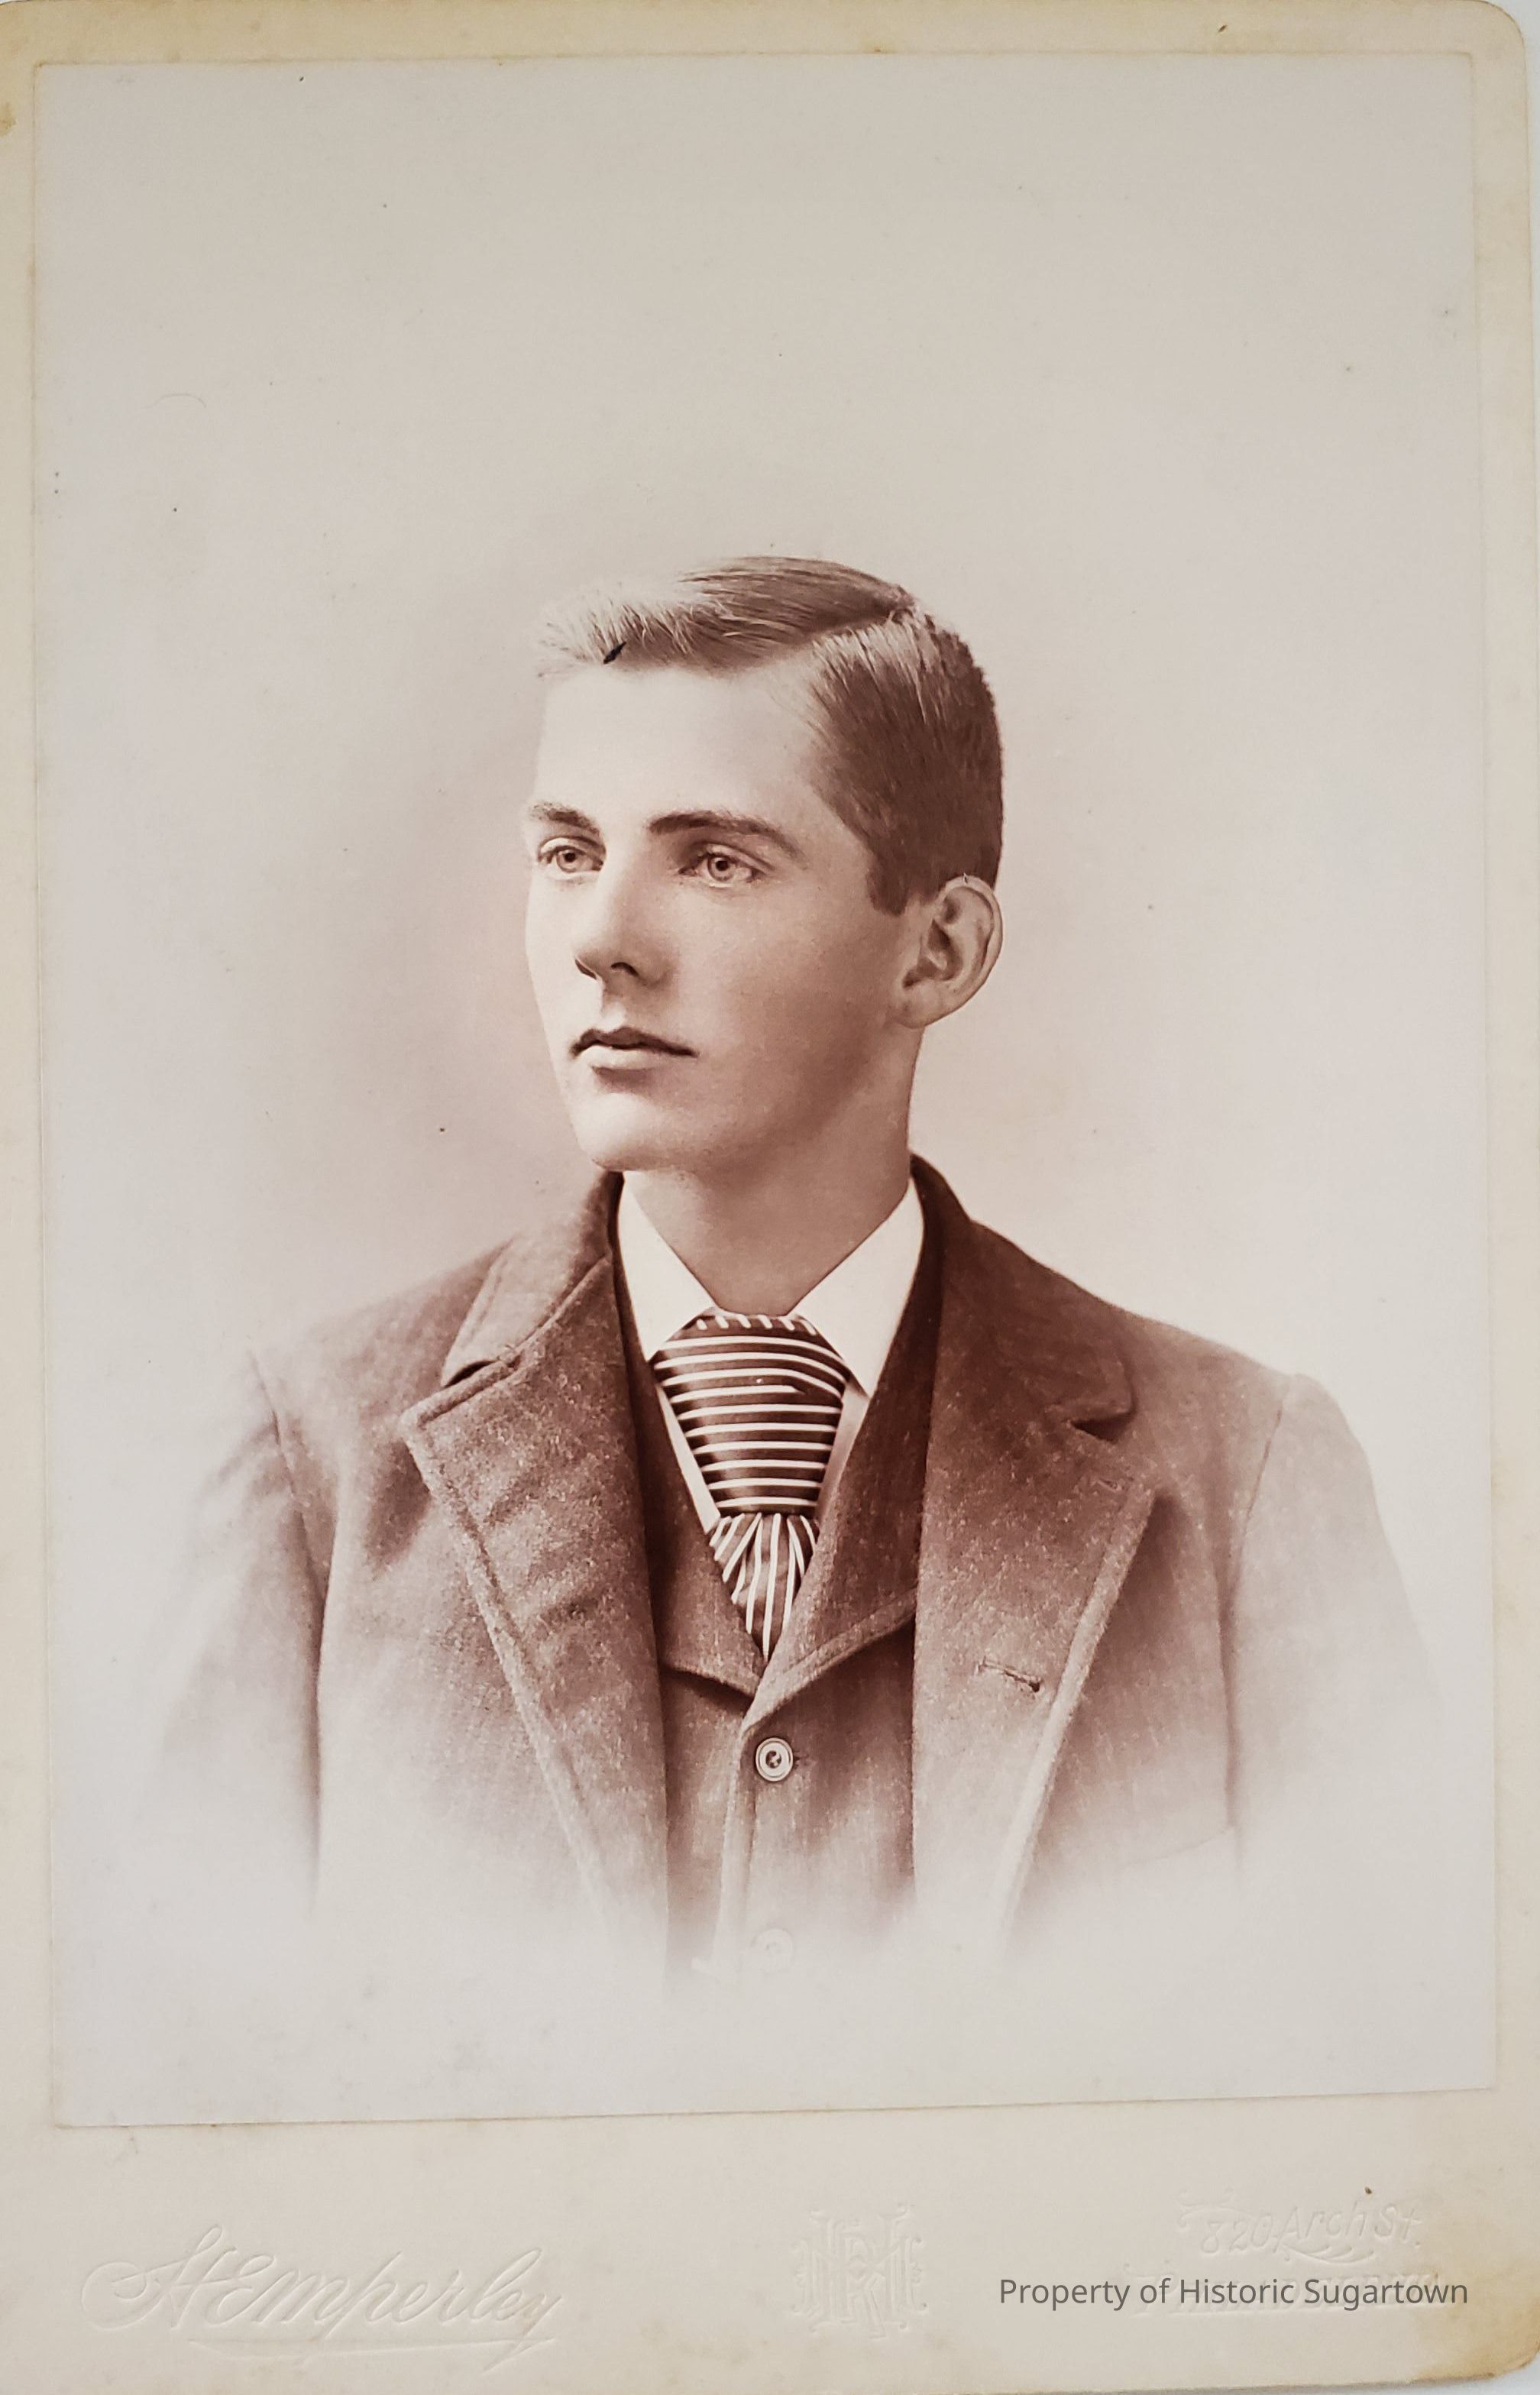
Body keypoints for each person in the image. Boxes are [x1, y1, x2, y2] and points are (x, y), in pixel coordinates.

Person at [138, 556, 1437, 2115]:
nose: (602, 939)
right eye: (568, 851)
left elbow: (1381, 2102)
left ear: (938, 952)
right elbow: (195, 2106)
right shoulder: (312, 1461)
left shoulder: (1245, 1473)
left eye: (717, 861)